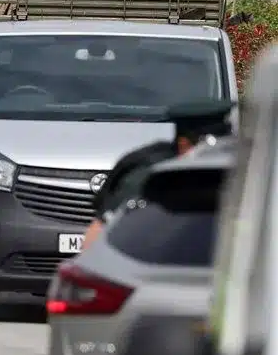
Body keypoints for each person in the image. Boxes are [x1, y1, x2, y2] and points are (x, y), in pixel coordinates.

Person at [81, 98, 234, 247]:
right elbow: (98, 232)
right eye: (208, 148)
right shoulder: (150, 174)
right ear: (184, 144)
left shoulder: (233, 170)